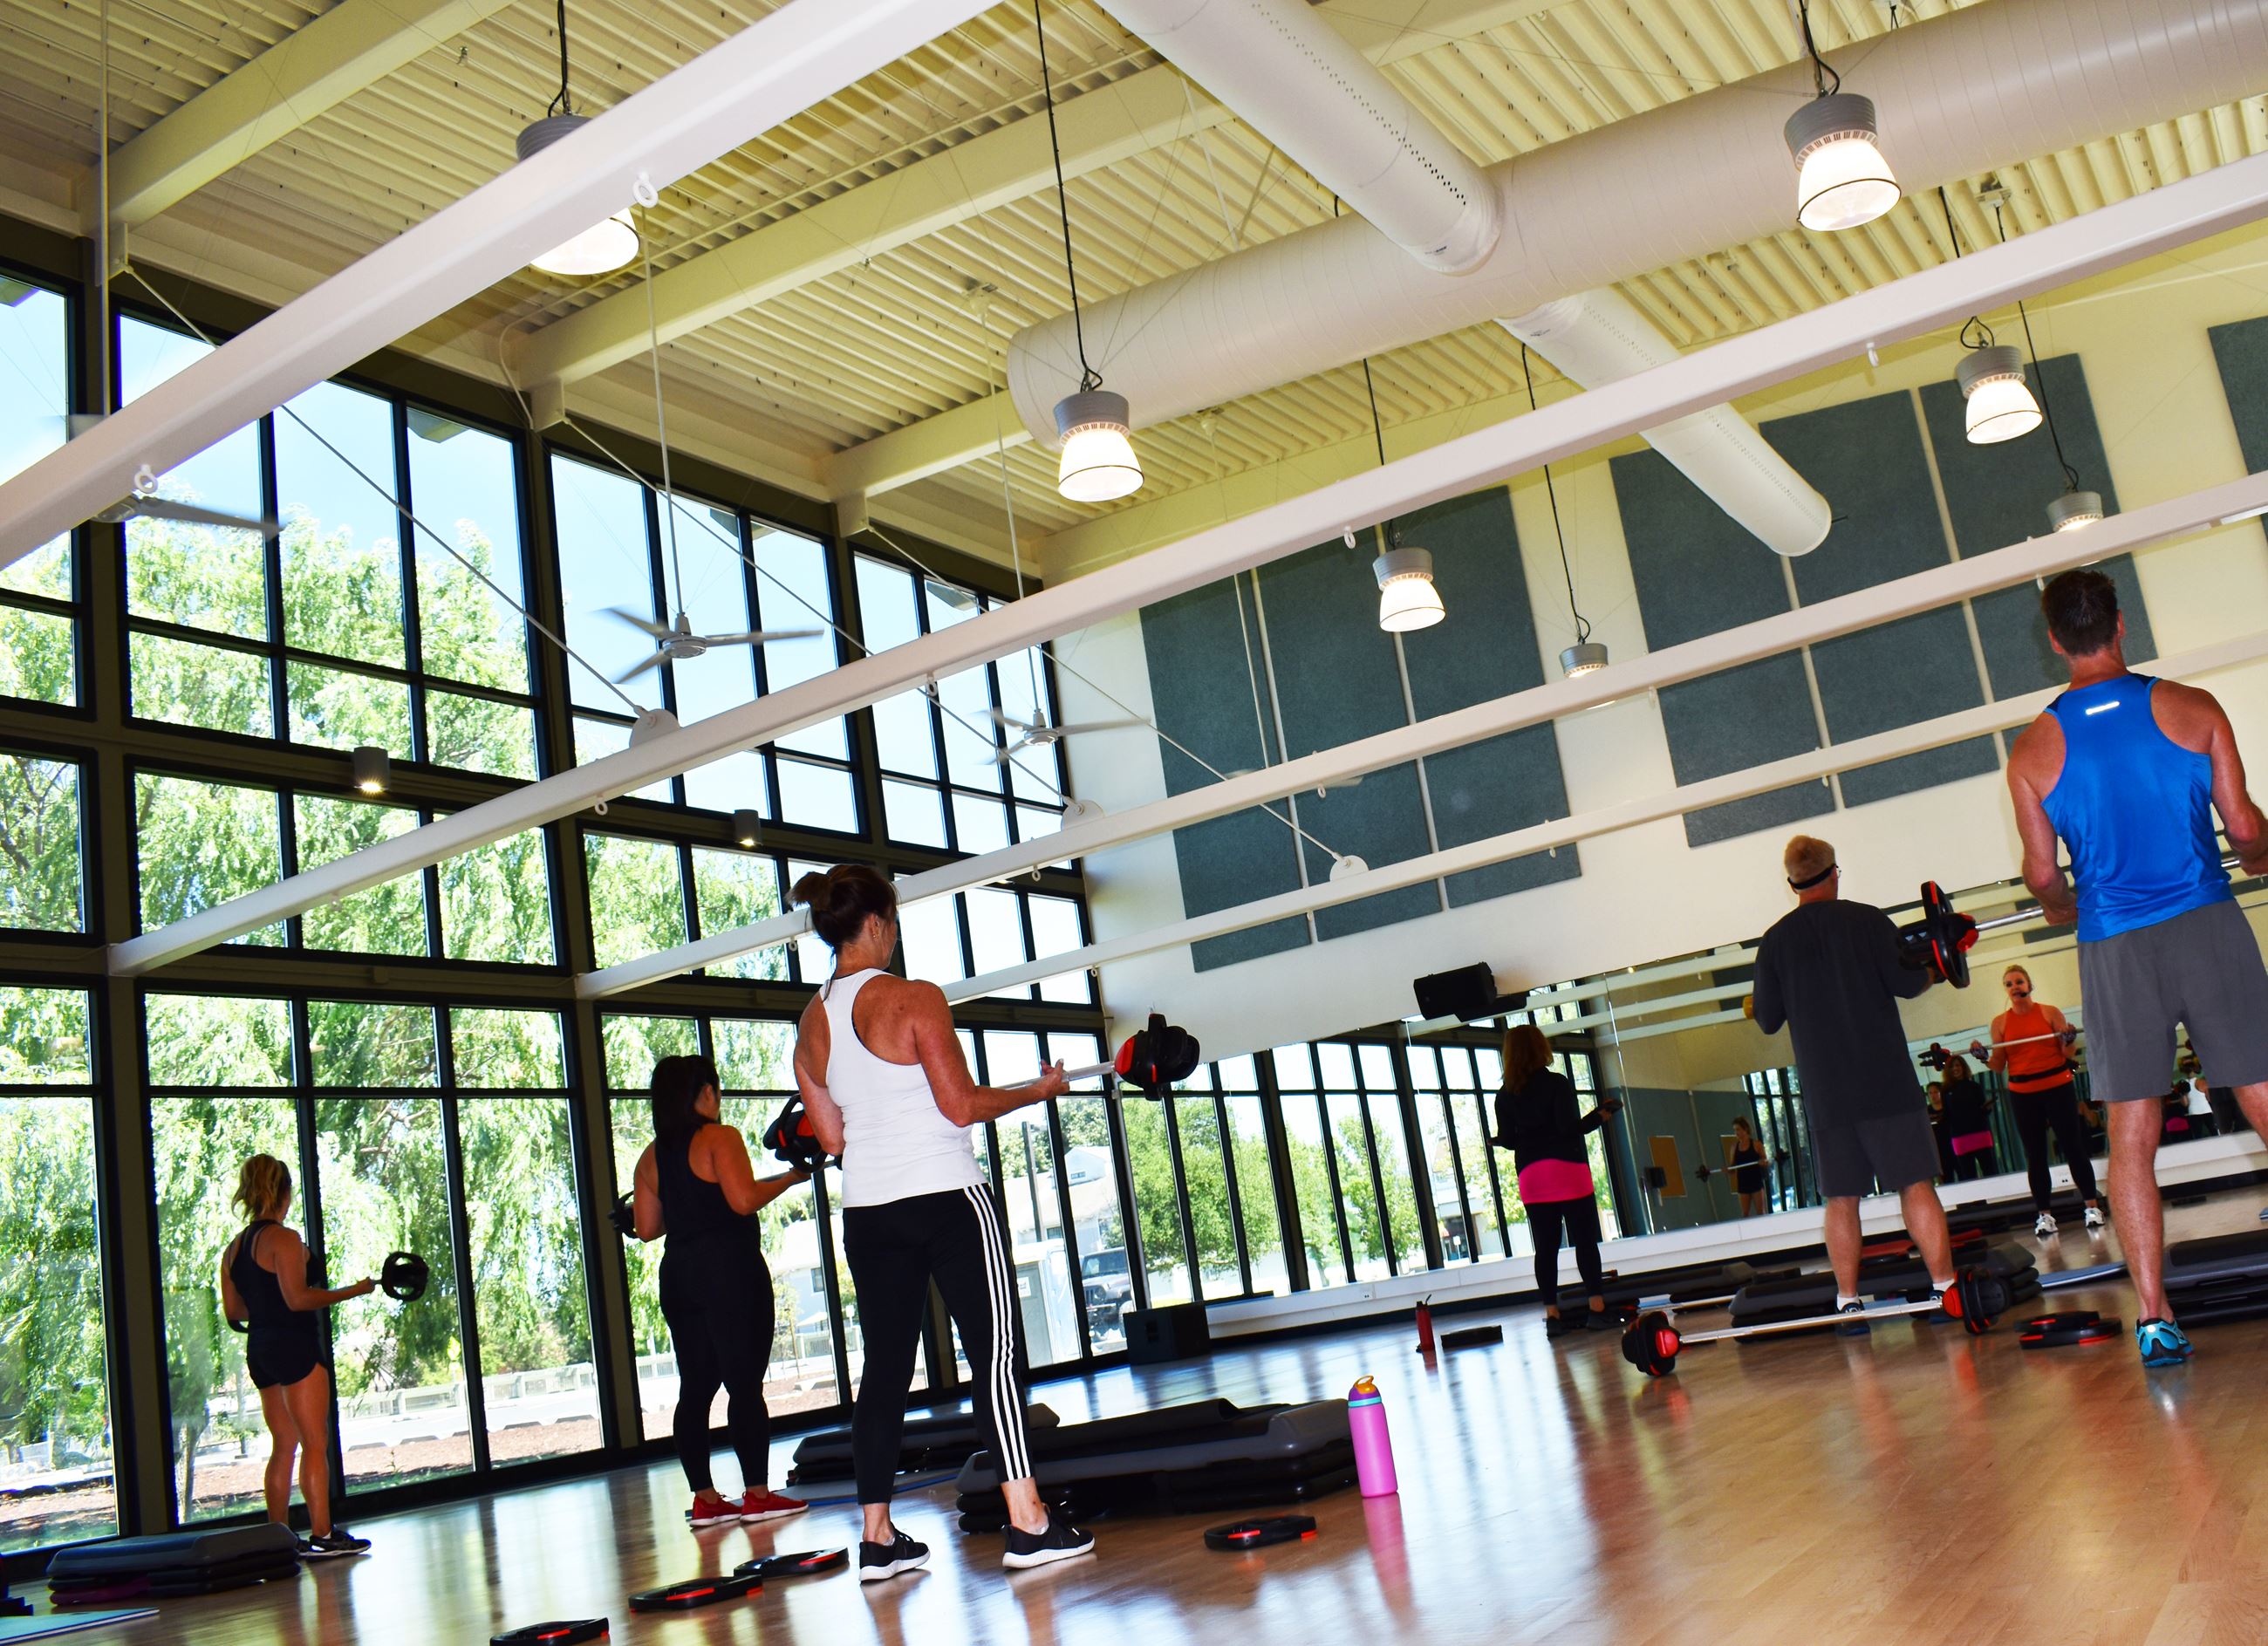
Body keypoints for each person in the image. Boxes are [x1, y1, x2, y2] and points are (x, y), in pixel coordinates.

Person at [789, 864, 1093, 1579]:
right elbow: (960, 1105)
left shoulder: (811, 1020)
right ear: (876, 924)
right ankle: (1028, 1522)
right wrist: (1038, 1089)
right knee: (994, 1355)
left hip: (869, 1211)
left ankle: (877, 1538)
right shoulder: (914, 997)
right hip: (948, 1197)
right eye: (892, 922)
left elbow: (830, 1138)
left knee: (885, 1371)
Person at [2005, 568, 2268, 1365]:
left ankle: (2155, 1317)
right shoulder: (2194, 708)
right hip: (2207, 922)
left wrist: (2065, 911)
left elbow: (2045, 879)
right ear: (2121, 622)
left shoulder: (2033, 750)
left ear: (2054, 640)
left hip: (2115, 943)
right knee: (2263, 1095)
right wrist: (2259, 857)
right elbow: (2246, 826)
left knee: (2130, 1134)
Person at [1749, 834, 1960, 1332]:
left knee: (1841, 1199)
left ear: (1792, 885)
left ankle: (1848, 1304)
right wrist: (1937, 962)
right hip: (1885, 1081)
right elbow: (1911, 983)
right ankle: (1945, 1290)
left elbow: (1766, 1020)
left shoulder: (1774, 941)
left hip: (1828, 1093)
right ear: (1835, 873)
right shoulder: (1868, 920)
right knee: (1916, 1184)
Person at [626, 1055, 811, 1528]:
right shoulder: (719, 1138)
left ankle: (706, 1499)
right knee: (744, 1384)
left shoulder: (650, 1157)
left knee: (697, 1387)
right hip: (730, 1271)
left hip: (680, 1275)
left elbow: (646, 1228)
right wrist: (790, 1178)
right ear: (705, 1093)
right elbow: (743, 1199)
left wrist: (686, 1208)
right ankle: (756, 1494)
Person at [217, 1153, 375, 1560]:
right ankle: (322, 1535)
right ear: (284, 1192)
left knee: (283, 1443)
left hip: (261, 1350)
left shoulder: (233, 1249)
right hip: (295, 1346)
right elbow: (299, 1298)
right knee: (314, 1442)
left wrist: (268, 1310)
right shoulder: (284, 1240)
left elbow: (235, 1312)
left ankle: (277, 1538)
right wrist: (354, 1291)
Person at [1492, 1025, 1621, 1335]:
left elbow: (1509, 1140)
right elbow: (1567, 1128)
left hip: (1532, 1175)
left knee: (1545, 1248)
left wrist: (1498, 1140)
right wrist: (1600, 1116)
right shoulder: (1557, 1084)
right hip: (1566, 1169)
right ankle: (1597, 1309)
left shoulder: (1504, 1094)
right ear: (1541, 1048)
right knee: (1585, 1242)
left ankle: (1552, 1317)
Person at [1967, 965, 2105, 1235]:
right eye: (2009, 984)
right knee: (2036, 1156)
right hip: (2023, 1094)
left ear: (2029, 985)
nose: (2015, 987)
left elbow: (2067, 1051)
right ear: (2006, 990)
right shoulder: (2000, 1023)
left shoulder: (2049, 1012)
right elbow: (1997, 1066)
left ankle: (2092, 1208)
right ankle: (2045, 1216)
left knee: (2073, 1147)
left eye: (2019, 982)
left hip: (2058, 1086)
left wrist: (2068, 1038)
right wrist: (1983, 1056)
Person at [1935, 1056, 1997, 1181]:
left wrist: (1988, 1108)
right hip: (1960, 1137)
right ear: (1948, 1070)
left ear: (1963, 1067)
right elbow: (1947, 1115)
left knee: (1990, 1171)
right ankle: (1978, 1201)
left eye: (1958, 1065)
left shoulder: (1974, 1086)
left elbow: (1983, 1110)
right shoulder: (1946, 1091)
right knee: (1968, 1176)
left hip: (1980, 1133)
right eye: (1952, 1066)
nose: (1955, 1069)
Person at [1729, 1117, 1769, 1217]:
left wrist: (1762, 1162)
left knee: (1761, 1212)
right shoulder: (1734, 1147)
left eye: (1738, 1129)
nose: (1736, 1132)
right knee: (1745, 1214)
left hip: (1756, 1182)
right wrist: (1728, 1170)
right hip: (1743, 1184)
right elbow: (1732, 1168)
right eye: (1735, 1130)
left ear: (1745, 1129)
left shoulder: (1757, 1144)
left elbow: (1765, 1161)